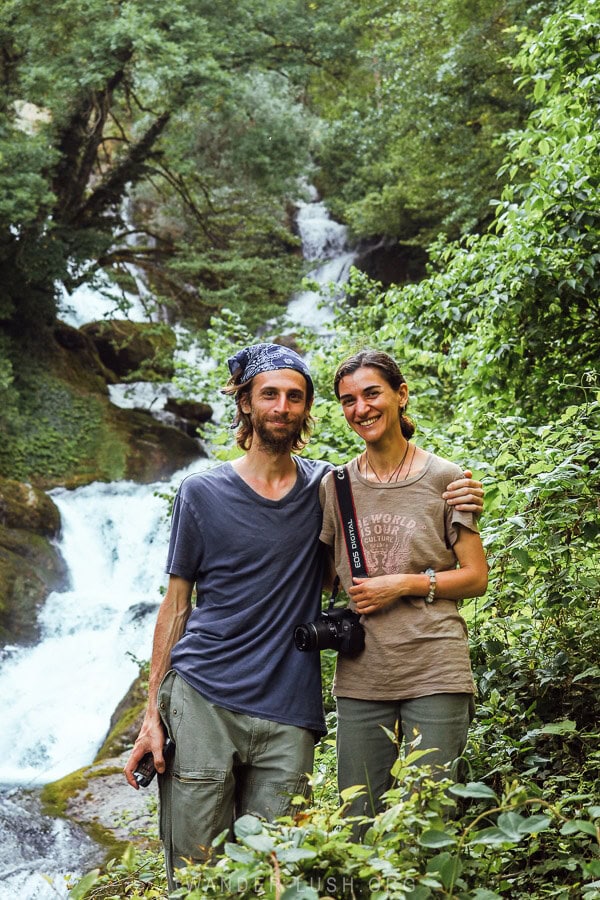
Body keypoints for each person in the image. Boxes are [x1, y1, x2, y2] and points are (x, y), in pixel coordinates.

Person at [123, 342, 483, 886]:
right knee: (197, 875)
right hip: (202, 700)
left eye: (296, 396)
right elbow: (175, 607)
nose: (282, 407)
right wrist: (152, 715)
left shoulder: (327, 486)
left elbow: (396, 490)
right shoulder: (202, 492)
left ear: (308, 409)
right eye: (269, 394)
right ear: (245, 403)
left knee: (278, 875)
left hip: (289, 711)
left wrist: (460, 489)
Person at [318, 349, 488, 826]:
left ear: (401, 395)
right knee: (357, 819)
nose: (361, 409)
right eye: (348, 400)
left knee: (429, 818)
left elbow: (475, 576)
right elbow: (322, 576)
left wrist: (403, 584)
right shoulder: (335, 485)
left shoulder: (448, 478)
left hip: (434, 665)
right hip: (361, 674)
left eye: (372, 394)